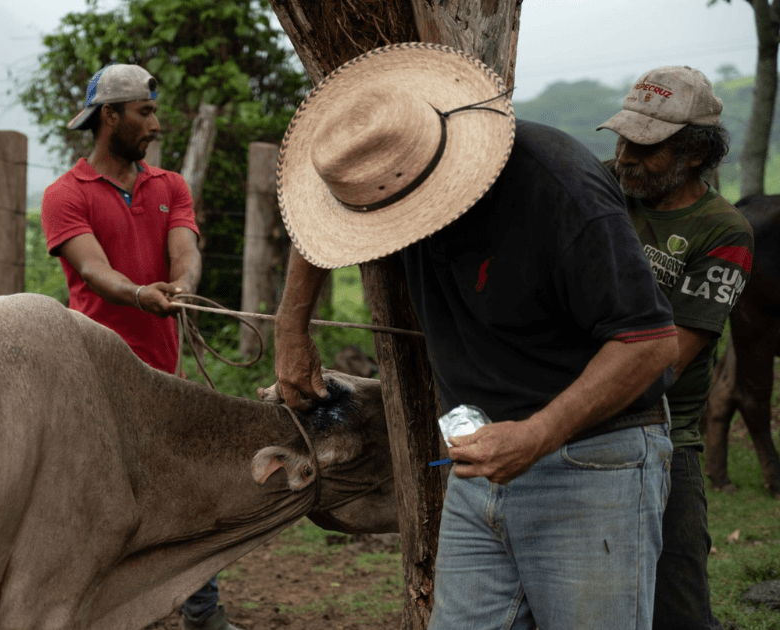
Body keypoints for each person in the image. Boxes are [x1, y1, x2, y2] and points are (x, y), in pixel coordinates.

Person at [271, 43, 679, 629]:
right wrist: (291, 327)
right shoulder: (384, 171)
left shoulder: (559, 192)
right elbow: (316, 222)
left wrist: (535, 435)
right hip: (478, 466)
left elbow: (649, 343)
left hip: (592, 465)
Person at [40, 64, 239, 630]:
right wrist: (138, 294)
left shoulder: (169, 186)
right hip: (97, 377)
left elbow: (185, 251)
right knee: (103, 506)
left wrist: (183, 286)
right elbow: (93, 271)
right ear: (110, 117)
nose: (155, 123)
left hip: (164, 372)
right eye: (144, 112)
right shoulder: (64, 195)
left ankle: (203, 614)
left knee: (190, 492)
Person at [598, 66, 753, 630]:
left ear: (692, 152)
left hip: (663, 432)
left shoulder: (723, 230)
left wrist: (553, 404)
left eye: (646, 146)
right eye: (622, 140)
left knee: (681, 610)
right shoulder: (604, 185)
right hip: (570, 417)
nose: (626, 157)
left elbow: (669, 360)